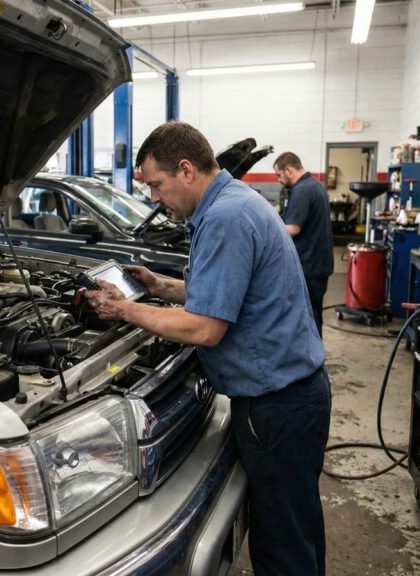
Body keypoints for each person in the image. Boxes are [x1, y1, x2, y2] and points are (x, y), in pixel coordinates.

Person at [84, 121, 330, 576]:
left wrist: (124, 311)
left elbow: (205, 329)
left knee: (281, 542)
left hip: (277, 406)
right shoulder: (234, 202)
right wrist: (159, 286)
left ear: (185, 170)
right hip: (293, 396)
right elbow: (223, 294)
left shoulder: (224, 218)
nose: (154, 198)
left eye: (156, 185)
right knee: (298, 525)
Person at [275, 152, 333, 337]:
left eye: (279, 175)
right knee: (313, 314)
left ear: (289, 170)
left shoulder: (302, 191)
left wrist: (266, 230)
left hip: (309, 265)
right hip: (318, 263)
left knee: (308, 317)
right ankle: (314, 357)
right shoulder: (315, 185)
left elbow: (292, 228)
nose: (278, 180)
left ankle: (312, 361)